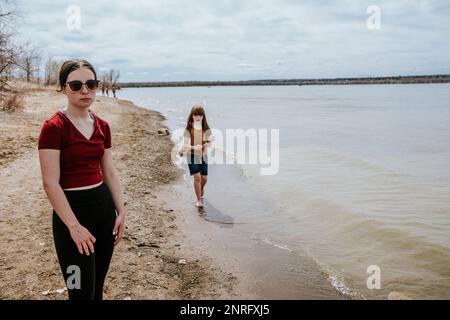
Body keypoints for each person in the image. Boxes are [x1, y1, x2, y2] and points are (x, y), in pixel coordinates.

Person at [37, 59, 126, 300]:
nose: (85, 90)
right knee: (79, 293)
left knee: (96, 290)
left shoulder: (103, 126)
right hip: (71, 217)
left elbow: (109, 171)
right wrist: (74, 227)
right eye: (76, 85)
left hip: (104, 212)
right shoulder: (53, 127)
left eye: (91, 84)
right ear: (63, 88)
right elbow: (50, 183)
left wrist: (121, 211)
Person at [183, 105, 212, 208]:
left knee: (204, 178)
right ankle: (198, 200)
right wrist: (195, 147)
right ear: (192, 116)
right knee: (197, 177)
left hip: (203, 156)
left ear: (203, 116)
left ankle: (201, 188)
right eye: (196, 115)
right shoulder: (188, 128)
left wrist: (206, 144)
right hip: (191, 155)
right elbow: (185, 145)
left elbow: (209, 142)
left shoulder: (206, 128)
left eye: (200, 115)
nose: (198, 117)